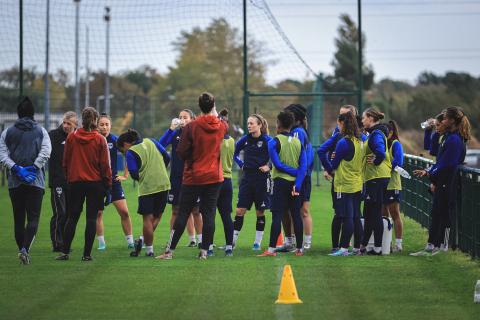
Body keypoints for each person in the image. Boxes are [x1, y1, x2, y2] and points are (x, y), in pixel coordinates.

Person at [157, 92, 228, 260]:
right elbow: (224, 124)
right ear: (213, 107)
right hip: (214, 177)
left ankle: (169, 252)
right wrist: (215, 112)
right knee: (209, 214)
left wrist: (192, 159)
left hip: (193, 176)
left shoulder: (191, 127)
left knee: (182, 213)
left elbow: (181, 151)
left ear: (199, 107)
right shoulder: (221, 126)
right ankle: (204, 252)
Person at [56, 107, 112, 262]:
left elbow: (65, 161)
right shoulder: (100, 139)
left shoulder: (72, 137)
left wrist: (69, 177)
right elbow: (105, 165)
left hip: (75, 183)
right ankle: (86, 254)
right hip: (95, 183)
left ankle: (65, 252)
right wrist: (108, 186)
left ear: (82, 119)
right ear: (95, 120)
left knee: (72, 218)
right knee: (91, 219)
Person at [0, 97, 51, 264]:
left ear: (18, 113)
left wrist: (16, 169)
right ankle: (25, 249)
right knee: (33, 218)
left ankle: (21, 250)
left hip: (15, 183)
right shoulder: (41, 131)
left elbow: (2, 155)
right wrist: (34, 168)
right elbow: (45, 152)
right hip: (35, 182)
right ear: (33, 113)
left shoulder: (7, 132)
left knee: (18, 218)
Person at [412, 107, 470, 256]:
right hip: (442, 180)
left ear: (451, 120)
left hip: (448, 181)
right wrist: (431, 173)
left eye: (443, 119)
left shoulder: (455, 139)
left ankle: (442, 246)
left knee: (444, 214)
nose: (441, 121)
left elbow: (448, 164)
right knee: (437, 212)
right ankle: (432, 245)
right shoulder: (449, 137)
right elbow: (438, 157)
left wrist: (430, 173)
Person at [258, 110, 307, 257]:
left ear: (278, 124)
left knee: (277, 216)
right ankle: (299, 249)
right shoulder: (298, 142)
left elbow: (277, 165)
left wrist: (293, 172)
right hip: (295, 185)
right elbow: (303, 167)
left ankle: (271, 250)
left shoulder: (273, 141)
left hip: (279, 183)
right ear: (291, 125)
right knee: (296, 215)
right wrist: (297, 182)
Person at [117, 129, 171, 257]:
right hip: (163, 183)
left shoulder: (131, 152)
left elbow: (134, 173)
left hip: (147, 188)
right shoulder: (151, 141)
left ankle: (149, 250)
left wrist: (143, 177)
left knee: (147, 218)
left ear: (126, 144)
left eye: (121, 150)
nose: (123, 153)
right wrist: (160, 169)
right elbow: (167, 157)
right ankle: (142, 239)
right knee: (158, 216)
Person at [318, 105, 364, 253]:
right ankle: (356, 247)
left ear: (343, 123)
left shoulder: (343, 142)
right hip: (357, 183)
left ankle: (343, 248)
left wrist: (330, 169)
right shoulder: (360, 141)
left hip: (344, 183)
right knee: (356, 216)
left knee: (346, 216)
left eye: (339, 123)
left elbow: (334, 162)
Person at [159, 109, 203, 247]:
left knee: (195, 210)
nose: (182, 119)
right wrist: (171, 129)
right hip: (176, 178)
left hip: (193, 177)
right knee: (175, 210)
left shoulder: (196, 134)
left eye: (185, 117)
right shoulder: (175, 134)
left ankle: (202, 240)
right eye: (180, 117)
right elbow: (160, 145)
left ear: (192, 119)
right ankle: (175, 240)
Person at [232, 113, 271, 250]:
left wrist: (269, 166)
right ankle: (232, 241)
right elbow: (234, 153)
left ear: (259, 125)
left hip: (261, 180)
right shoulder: (244, 140)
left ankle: (257, 243)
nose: (249, 126)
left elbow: (277, 155)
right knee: (239, 210)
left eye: (252, 123)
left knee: (260, 212)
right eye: (248, 123)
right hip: (247, 179)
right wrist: (241, 164)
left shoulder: (267, 140)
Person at [96, 113, 134, 250]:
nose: (104, 127)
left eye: (107, 124)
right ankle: (101, 243)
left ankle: (130, 241)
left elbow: (129, 153)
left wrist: (125, 175)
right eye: (101, 124)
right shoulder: (93, 139)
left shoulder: (115, 140)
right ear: (96, 126)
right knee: (98, 213)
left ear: (110, 126)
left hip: (113, 182)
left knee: (124, 212)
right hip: (97, 183)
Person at [360, 107, 391, 255]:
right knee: (369, 212)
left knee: (374, 212)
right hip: (376, 177)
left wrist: (377, 161)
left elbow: (380, 151)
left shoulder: (376, 134)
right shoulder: (374, 133)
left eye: (364, 118)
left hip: (377, 177)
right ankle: (364, 245)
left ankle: (378, 248)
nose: (362, 120)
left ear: (371, 118)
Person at [48, 111, 77, 252]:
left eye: (69, 124)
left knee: (70, 214)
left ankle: (65, 244)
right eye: (64, 122)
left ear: (75, 125)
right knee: (61, 213)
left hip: (73, 182)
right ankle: (57, 244)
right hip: (58, 181)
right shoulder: (52, 136)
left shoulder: (78, 137)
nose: (65, 125)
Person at [382, 120, 404, 252]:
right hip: (383, 185)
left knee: (395, 214)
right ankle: (387, 243)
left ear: (390, 132)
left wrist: (385, 168)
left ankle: (399, 244)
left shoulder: (396, 144)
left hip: (393, 185)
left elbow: (398, 162)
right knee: (383, 214)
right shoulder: (383, 144)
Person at [215, 108, 235, 256]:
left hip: (214, 180)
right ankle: (229, 246)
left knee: (209, 215)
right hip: (228, 180)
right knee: (226, 216)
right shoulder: (232, 140)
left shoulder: (217, 141)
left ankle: (207, 247)